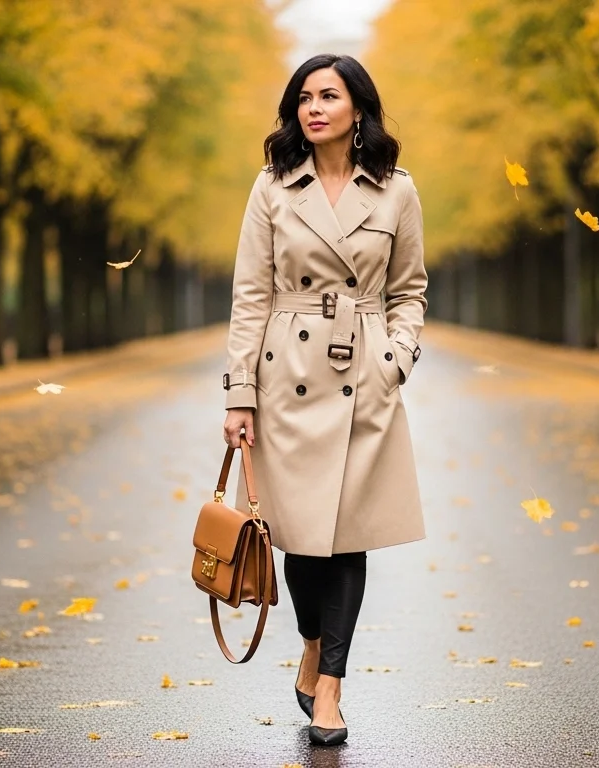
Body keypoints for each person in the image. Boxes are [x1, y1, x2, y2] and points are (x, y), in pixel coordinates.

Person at [221, 53, 428, 748]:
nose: (313, 109)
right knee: (300, 535)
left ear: (358, 109)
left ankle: (332, 683)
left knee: (347, 533)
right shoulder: (272, 188)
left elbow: (410, 289)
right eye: (303, 98)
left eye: (328, 97)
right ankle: (312, 640)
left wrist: (395, 359)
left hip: (363, 374)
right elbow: (251, 296)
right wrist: (240, 395)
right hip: (289, 376)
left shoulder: (397, 190)